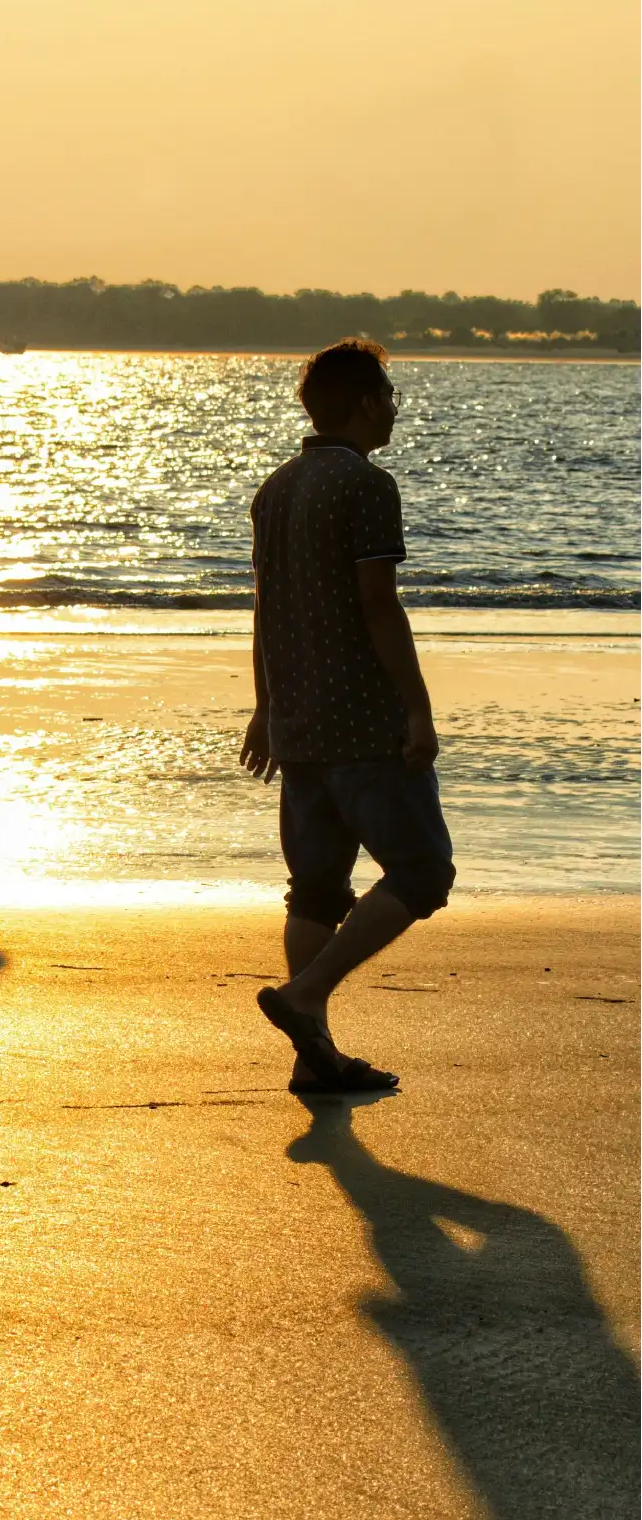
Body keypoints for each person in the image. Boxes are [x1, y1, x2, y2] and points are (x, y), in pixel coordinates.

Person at [241, 339, 455, 1093]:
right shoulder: (364, 485)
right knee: (423, 870)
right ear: (363, 403)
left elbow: (265, 607)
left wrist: (266, 705)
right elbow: (377, 605)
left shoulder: (277, 488)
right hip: (361, 719)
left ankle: (314, 1056)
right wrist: (417, 708)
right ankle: (305, 998)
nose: (394, 408)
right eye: (388, 396)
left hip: (297, 715)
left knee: (317, 888)